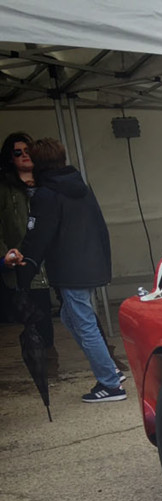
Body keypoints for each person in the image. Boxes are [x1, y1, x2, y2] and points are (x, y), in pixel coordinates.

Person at [2, 138, 124, 403]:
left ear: (39, 163)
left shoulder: (46, 194)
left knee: (83, 322)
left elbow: (38, 236)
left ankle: (111, 383)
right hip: (89, 264)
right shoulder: (80, 186)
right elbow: (99, 225)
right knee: (71, 318)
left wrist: (24, 269)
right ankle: (109, 369)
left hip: (71, 269)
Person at [0, 132, 55, 365]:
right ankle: (46, 367)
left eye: (27, 151)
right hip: (25, 263)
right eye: (17, 152)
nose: (24, 155)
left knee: (77, 312)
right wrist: (5, 254)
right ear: (10, 158)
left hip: (55, 259)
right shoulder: (5, 189)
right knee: (38, 319)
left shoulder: (49, 182)